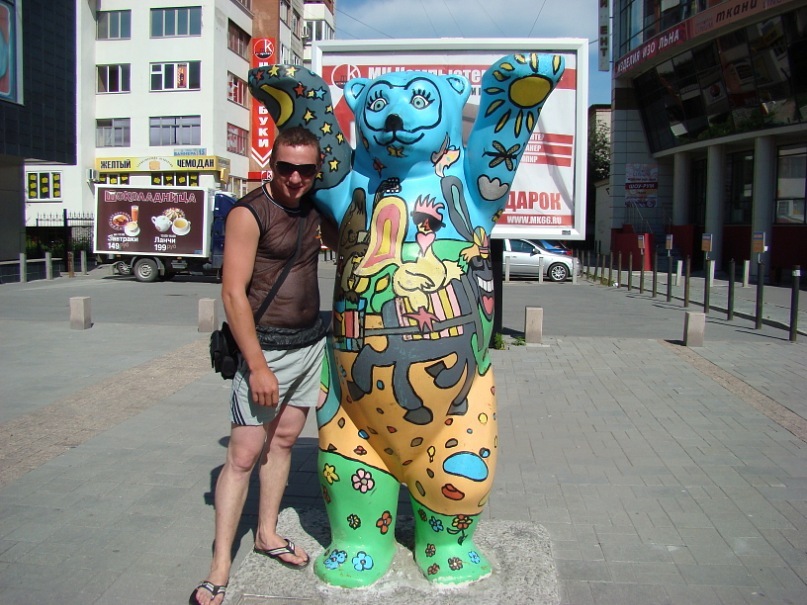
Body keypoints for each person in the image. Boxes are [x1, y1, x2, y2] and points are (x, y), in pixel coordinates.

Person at [190, 126, 329, 605]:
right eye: (286, 167)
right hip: (265, 350)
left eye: (305, 169)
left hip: (309, 345)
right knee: (244, 455)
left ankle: (267, 534)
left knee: (284, 441)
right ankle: (219, 568)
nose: (294, 178)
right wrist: (257, 366)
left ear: (316, 170)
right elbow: (232, 294)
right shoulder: (249, 213)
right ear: (271, 163)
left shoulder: (314, 207)